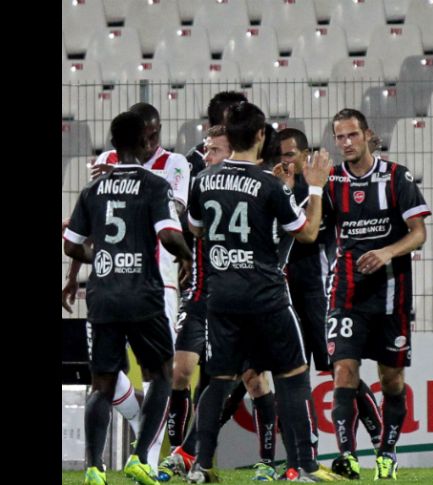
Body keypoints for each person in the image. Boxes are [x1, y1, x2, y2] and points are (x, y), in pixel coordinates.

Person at [186, 102, 341, 483]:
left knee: (218, 380)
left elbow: (196, 229)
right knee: (293, 374)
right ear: (260, 135)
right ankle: (305, 466)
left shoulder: (203, 180)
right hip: (266, 296)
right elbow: (307, 233)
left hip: (222, 297)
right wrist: (315, 186)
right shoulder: (268, 184)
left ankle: (200, 466)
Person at [63, 111, 193, 485]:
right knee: (161, 374)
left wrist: (100, 256)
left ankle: (94, 467)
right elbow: (169, 233)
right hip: (147, 291)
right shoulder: (153, 185)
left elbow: (72, 245)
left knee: (101, 383)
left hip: (103, 292)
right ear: (143, 140)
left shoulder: (94, 188)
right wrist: (187, 256)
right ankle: (141, 456)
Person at [158, 125, 280, 482]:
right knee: (180, 370)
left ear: (234, 152)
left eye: (214, 150)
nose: (205, 156)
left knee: (254, 380)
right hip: (200, 297)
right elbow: (181, 225)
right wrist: (186, 256)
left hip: (240, 300)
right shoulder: (200, 185)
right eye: (206, 149)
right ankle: (180, 454)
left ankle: (266, 461)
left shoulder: (255, 188)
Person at [323, 109, 430, 480]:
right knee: (343, 371)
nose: (346, 143)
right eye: (340, 137)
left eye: (352, 135)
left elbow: (419, 233)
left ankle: (386, 453)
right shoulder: (331, 181)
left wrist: (387, 252)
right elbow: (313, 228)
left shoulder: (396, 177)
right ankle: (347, 457)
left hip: (391, 294)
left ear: (367, 135)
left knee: (391, 380)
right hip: (346, 294)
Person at [277, 128, 384, 460]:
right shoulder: (275, 189)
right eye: (280, 156)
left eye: (290, 155)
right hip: (283, 295)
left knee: (339, 369)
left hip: (318, 293)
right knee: (293, 376)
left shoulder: (323, 188)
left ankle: (380, 438)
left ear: (305, 155)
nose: (285, 161)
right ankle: (301, 457)